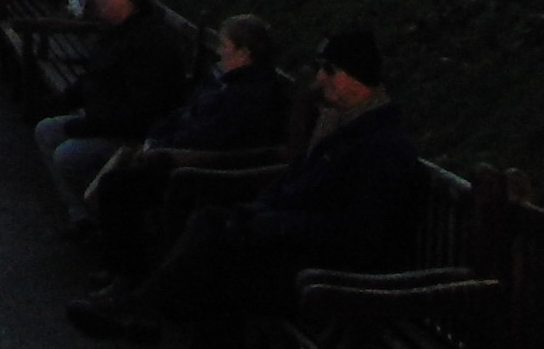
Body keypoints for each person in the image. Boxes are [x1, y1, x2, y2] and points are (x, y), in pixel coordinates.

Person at [68, 29, 424, 343]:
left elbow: (359, 232)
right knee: (211, 226)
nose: (321, 78)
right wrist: (259, 215)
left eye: (330, 70)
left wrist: (271, 224)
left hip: (330, 273)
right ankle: (142, 310)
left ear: (356, 76)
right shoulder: (345, 128)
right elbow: (294, 183)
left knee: (218, 264)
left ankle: (141, 310)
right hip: (298, 247)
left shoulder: (380, 146)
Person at [79, 14, 291, 260]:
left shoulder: (248, 96)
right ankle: (106, 242)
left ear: (244, 53)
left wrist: (164, 149)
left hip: (198, 170)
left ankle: (126, 269)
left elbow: (212, 138)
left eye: (225, 46)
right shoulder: (224, 82)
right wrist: (157, 136)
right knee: (120, 172)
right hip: (174, 153)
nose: (220, 52)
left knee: (117, 187)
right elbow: (185, 114)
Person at [34, 0, 200, 228]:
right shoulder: (116, 32)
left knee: (68, 155)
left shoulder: (150, 43)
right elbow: (95, 77)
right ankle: (81, 215)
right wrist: (62, 100)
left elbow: (139, 112)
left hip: (134, 134)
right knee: (46, 130)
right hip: (105, 119)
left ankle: (99, 217)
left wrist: (87, 124)